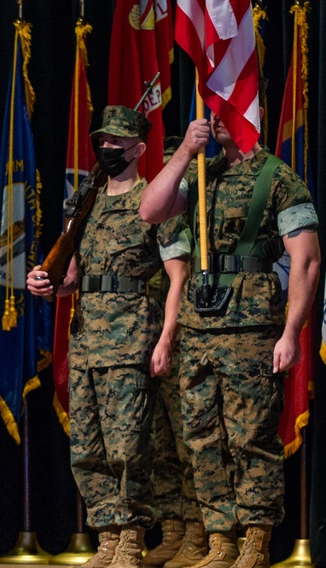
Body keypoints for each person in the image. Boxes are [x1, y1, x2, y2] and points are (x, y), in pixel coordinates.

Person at [139, 113, 320, 568]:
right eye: (209, 107)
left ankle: (255, 540)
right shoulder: (202, 176)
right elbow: (150, 209)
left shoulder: (278, 177)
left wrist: (291, 332)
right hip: (199, 328)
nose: (213, 115)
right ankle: (220, 539)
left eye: (225, 104)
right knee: (201, 438)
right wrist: (184, 152)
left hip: (250, 328)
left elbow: (307, 260)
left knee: (251, 437)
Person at [27, 106, 177, 568]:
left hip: (133, 337)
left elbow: (178, 274)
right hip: (87, 338)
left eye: (118, 142)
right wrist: (48, 282)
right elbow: (72, 275)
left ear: (139, 148)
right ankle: (108, 536)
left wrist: (166, 337)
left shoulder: (155, 201)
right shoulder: (83, 202)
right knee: (87, 446)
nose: (108, 149)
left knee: (128, 444)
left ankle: (131, 536)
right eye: (103, 142)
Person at [143, 137, 204, 568]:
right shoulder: (154, 215)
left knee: (189, 445)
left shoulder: (190, 218)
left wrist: (167, 338)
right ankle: (172, 531)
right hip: (147, 339)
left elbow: (179, 282)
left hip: (183, 341)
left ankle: (198, 536)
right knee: (160, 444)